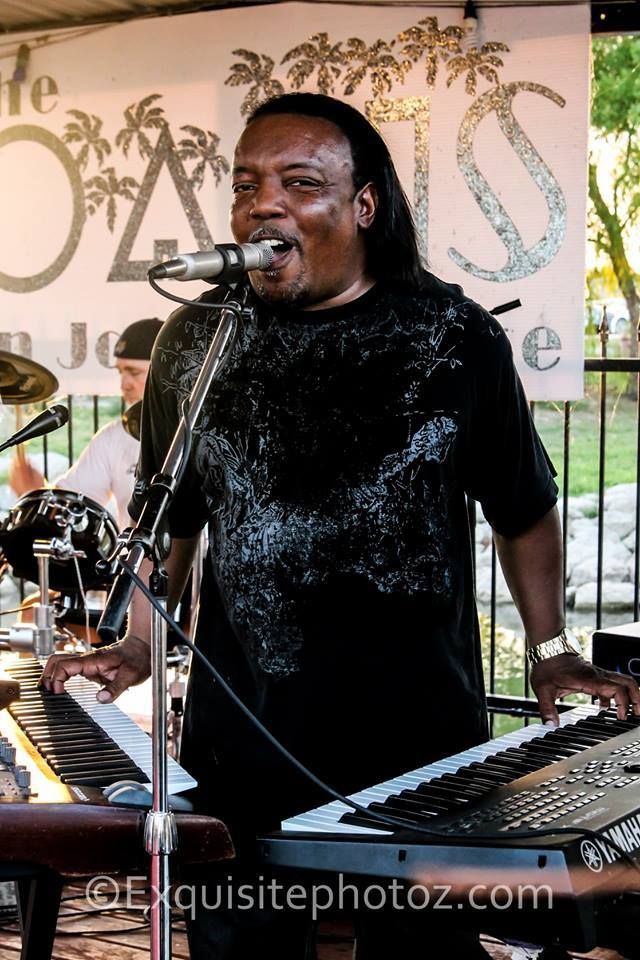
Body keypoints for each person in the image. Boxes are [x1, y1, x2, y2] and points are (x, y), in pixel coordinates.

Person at [42, 94, 640, 958]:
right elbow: (169, 516)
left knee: (420, 953)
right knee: (241, 942)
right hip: (245, 734)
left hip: (417, 741)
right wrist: (140, 643)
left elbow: (524, 506)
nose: (263, 205)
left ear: (364, 204)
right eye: (247, 185)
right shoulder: (198, 340)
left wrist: (550, 651)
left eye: (300, 182)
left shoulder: (452, 338)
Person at [9, 317, 162, 530]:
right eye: (120, 372)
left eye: (133, 372)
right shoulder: (113, 437)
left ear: (166, 372)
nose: (123, 384)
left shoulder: (203, 432)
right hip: (134, 562)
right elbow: (72, 505)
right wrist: (36, 494)